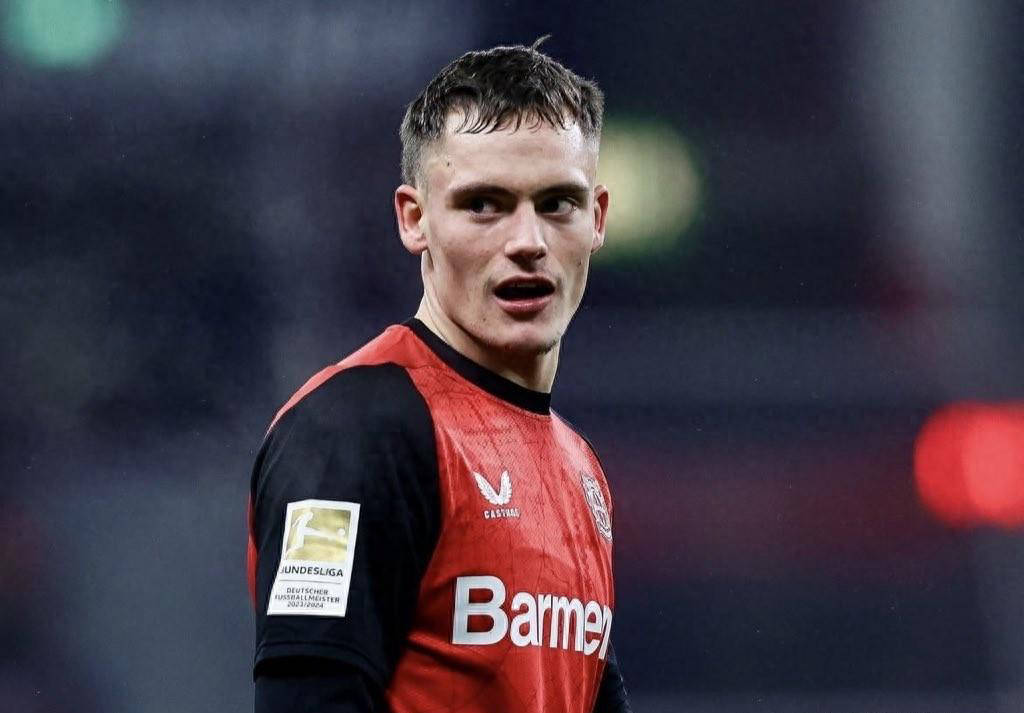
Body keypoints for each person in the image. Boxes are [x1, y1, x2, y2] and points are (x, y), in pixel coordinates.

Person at [247, 39, 631, 713]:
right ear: (415, 219)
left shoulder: (580, 473)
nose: (527, 241)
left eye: (557, 203)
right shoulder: (353, 433)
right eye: (484, 204)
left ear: (596, 219)